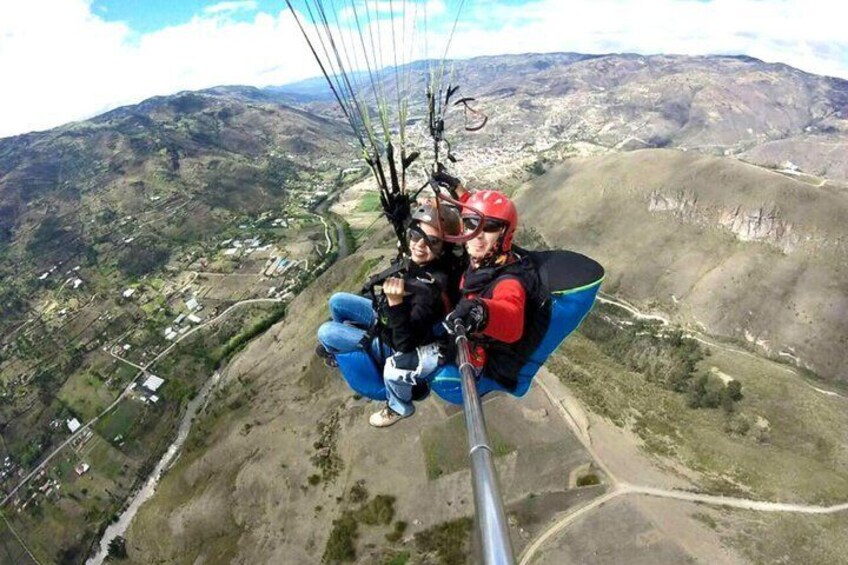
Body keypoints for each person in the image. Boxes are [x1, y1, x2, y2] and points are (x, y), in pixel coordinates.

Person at [316, 201, 462, 426]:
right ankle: (350, 344)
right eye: (415, 235)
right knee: (337, 302)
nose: (419, 245)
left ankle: (395, 401)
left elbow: (404, 345)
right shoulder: (439, 260)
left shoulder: (428, 290)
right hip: (389, 318)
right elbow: (419, 236)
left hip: (393, 342)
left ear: (443, 247)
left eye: (431, 241)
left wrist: (394, 302)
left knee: (325, 332)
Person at [442, 188, 549, 392]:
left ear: (505, 235)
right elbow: (481, 214)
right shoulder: (487, 257)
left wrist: (481, 312)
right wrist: (458, 190)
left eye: (489, 227)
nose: (476, 235)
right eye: (471, 224)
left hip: (481, 357)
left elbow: (511, 316)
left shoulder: (510, 281)